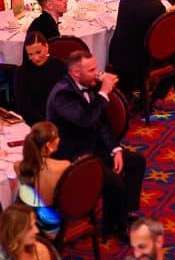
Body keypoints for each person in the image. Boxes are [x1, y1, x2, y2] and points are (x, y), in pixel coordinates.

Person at [46, 50, 147, 238]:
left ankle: (125, 214)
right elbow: (85, 119)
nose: (97, 73)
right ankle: (118, 226)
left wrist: (115, 149)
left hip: (93, 146)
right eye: (91, 70)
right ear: (76, 73)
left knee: (136, 162)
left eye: (96, 68)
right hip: (72, 155)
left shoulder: (89, 85)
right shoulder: (62, 94)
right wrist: (103, 93)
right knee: (114, 181)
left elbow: (102, 124)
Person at [109, 0, 175, 98]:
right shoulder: (157, 7)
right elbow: (160, 43)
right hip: (139, 63)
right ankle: (150, 100)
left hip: (116, 55)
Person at [13, 35, 68, 124]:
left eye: (38, 52)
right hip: (36, 122)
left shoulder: (61, 66)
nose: (35, 58)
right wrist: (46, 123)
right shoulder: (22, 72)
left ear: (46, 47)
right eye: (30, 54)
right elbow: (23, 106)